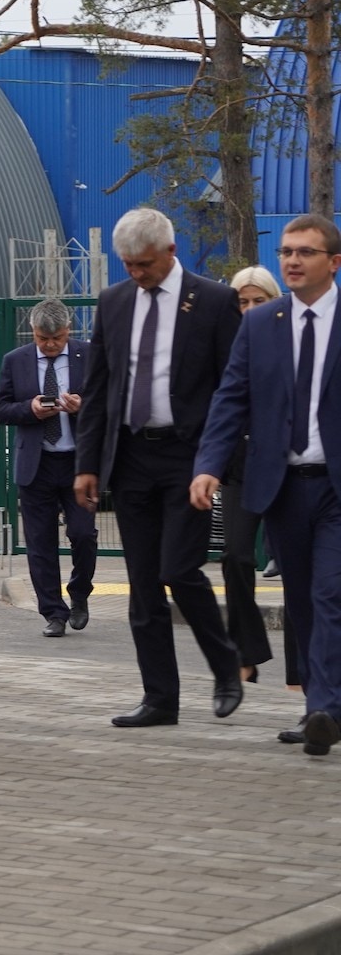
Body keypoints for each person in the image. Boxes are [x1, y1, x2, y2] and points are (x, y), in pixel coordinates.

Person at [73, 208, 244, 728]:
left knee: (179, 570)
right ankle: (159, 698)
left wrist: (219, 459)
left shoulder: (212, 302)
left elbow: (233, 388)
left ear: (171, 252)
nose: (135, 273)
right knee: (144, 583)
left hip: (189, 457)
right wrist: (87, 463)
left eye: (144, 264)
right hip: (131, 458)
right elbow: (99, 388)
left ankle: (226, 666)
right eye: (127, 264)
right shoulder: (114, 301)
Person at [193, 215, 341, 756]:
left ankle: (326, 708)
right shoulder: (259, 324)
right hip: (283, 486)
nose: (292, 260)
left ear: (334, 262)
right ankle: (319, 708)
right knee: (302, 600)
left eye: (305, 252)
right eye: (286, 251)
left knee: (329, 593)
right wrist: (209, 464)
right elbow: (231, 398)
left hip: (336, 489)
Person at [0, 298, 97, 638]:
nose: (50, 345)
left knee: (83, 534)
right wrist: (30, 409)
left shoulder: (88, 355)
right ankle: (53, 612)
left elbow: (109, 403)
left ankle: (79, 593)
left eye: (57, 338)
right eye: (43, 339)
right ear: (32, 331)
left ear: (69, 331)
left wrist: (83, 406)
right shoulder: (15, 361)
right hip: (36, 465)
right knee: (40, 543)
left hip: (78, 464)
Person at [218, 266, 281, 686]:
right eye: (242, 301)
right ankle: (246, 652)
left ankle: (302, 672)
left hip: (287, 467)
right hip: (238, 466)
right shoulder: (223, 348)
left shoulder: (292, 341)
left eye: (259, 300)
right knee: (236, 557)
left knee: (297, 567)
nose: (250, 309)